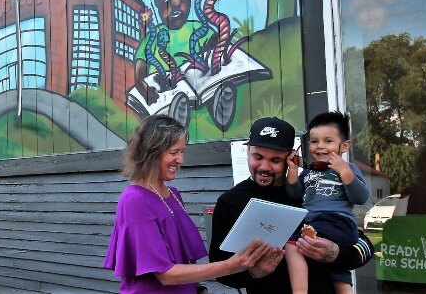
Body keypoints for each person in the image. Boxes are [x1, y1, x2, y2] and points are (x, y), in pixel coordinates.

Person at [104, 115, 282, 293]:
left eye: (182, 152)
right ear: (151, 152)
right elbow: (165, 274)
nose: (180, 160)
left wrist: (199, 289)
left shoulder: (173, 195)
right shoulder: (135, 199)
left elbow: (184, 262)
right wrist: (232, 265)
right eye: (174, 153)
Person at [208, 116, 374, 294]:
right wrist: (253, 273)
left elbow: (364, 246)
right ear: (248, 151)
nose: (264, 166)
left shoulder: (309, 192)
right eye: (258, 157)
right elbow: (219, 268)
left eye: (275, 160)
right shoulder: (230, 202)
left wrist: (337, 254)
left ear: (290, 158)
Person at [284, 111, 369, 294]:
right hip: (316, 223)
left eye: (328, 141)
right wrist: (292, 171)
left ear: (344, 146)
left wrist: (345, 172)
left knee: (292, 244)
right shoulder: (308, 171)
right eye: (314, 141)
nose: (320, 146)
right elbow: (294, 194)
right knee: (338, 271)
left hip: (338, 222)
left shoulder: (349, 169)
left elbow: (361, 197)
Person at [134, 0, 215, 105]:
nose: (176, 4)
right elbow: (140, 72)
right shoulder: (154, 36)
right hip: (163, 100)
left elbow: (217, 48)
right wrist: (143, 87)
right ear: (157, 1)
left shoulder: (198, 29)